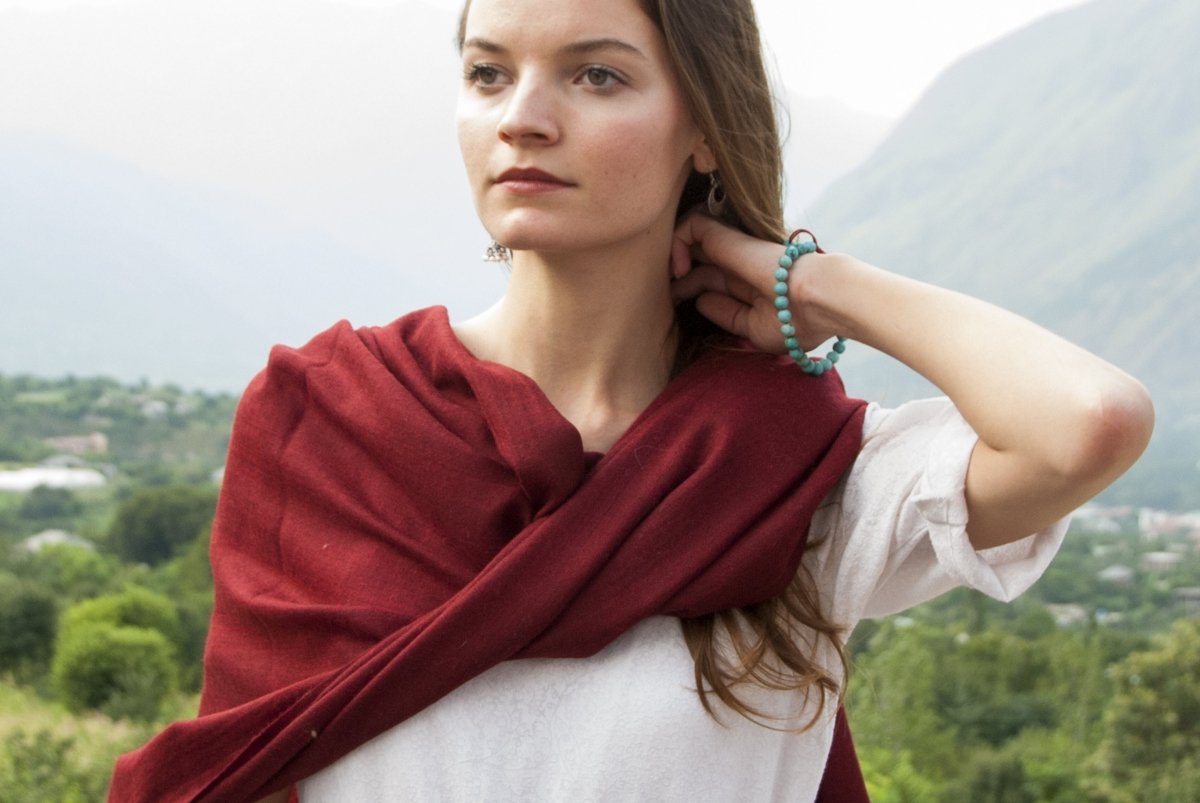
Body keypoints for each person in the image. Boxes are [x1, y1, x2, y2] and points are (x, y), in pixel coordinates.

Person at [109, 0, 1154, 800]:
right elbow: (246, 769)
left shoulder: (792, 469)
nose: (523, 119)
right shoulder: (329, 416)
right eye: (487, 73)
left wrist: (814, 283)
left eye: (596, 75)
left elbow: (1088, 422)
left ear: (703, 127)